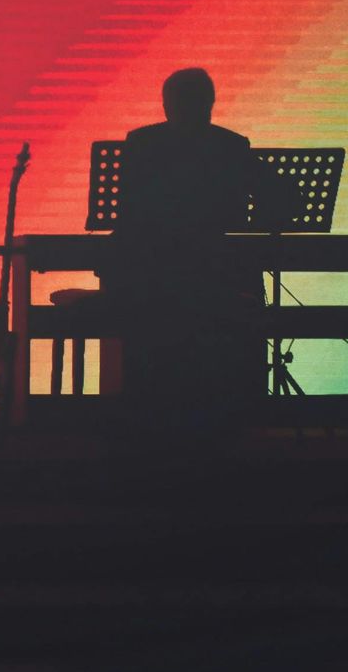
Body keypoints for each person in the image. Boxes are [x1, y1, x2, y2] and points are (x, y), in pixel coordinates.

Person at [113, 67, 288, 440]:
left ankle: (146, 414)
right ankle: (232, 412)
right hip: (218, 275)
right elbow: (278, 196)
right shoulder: (231, 145)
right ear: (210, 103)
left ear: (166, 105)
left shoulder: (142, 144)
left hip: (155, 279)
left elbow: (128, 217)